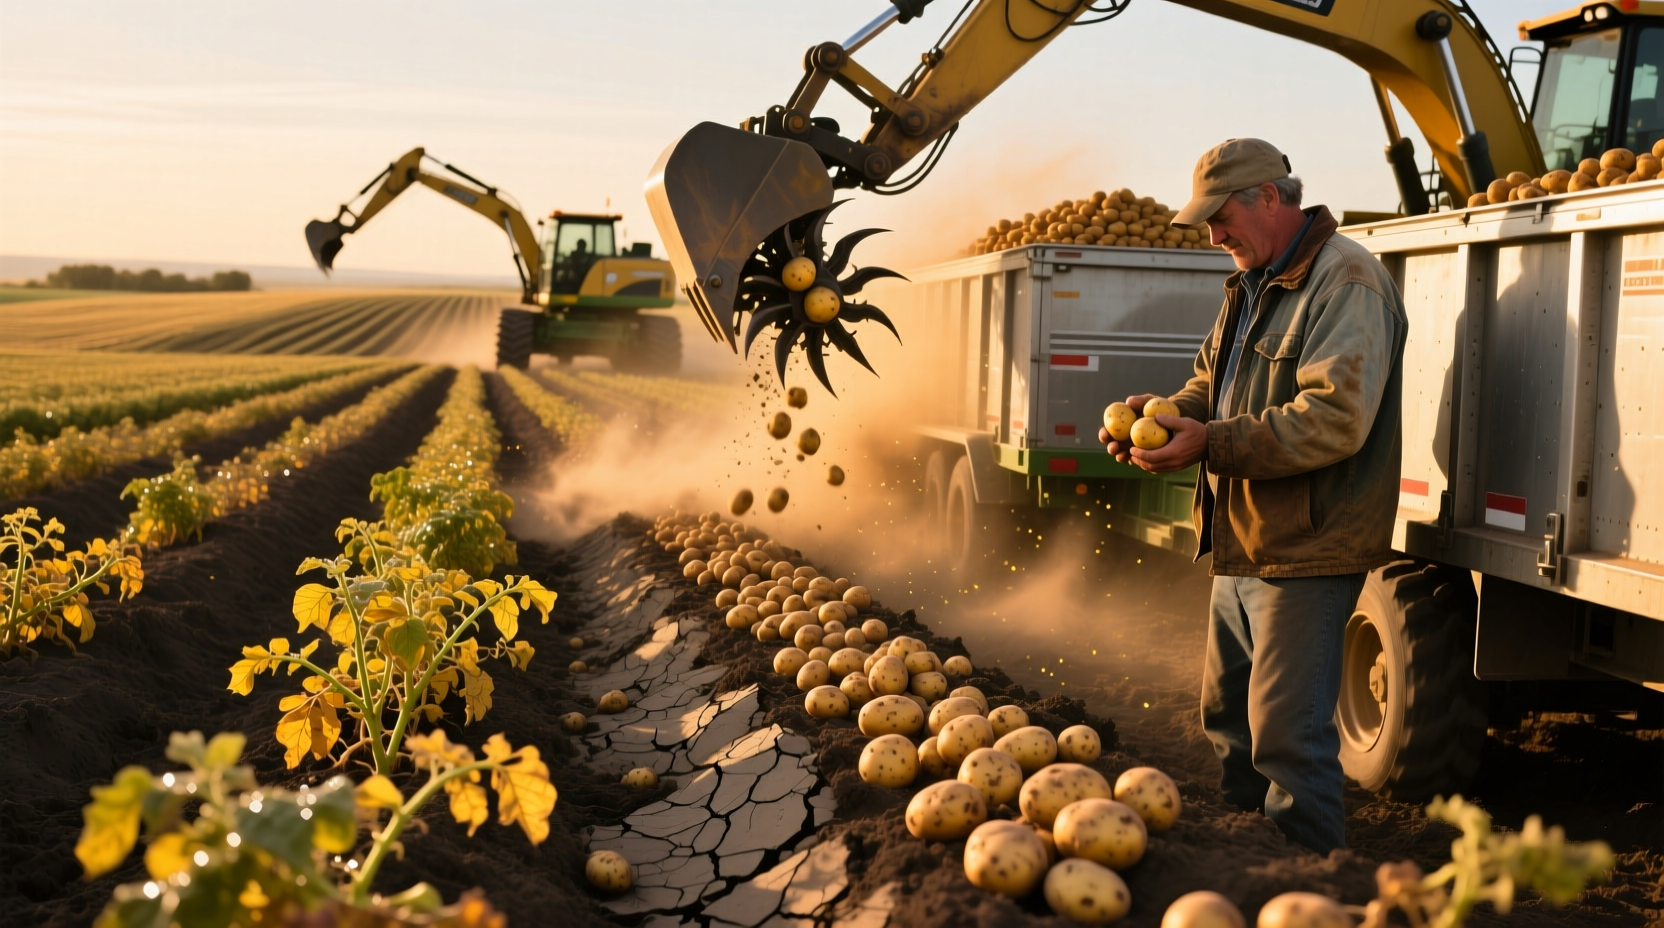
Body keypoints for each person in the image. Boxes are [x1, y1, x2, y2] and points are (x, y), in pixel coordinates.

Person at [1098, 138, 1407, 854]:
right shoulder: (1250, 282)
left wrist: (1209, 443)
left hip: (1307, 546)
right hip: (1244, 539)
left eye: (1219, 218)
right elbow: (1212, 383)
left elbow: (1336, 419)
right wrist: (1172, 415)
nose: (1211, 237)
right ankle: (1245, 864)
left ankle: (1306, 886)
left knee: (1287, 742)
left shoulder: (1345, 281)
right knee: (1227, 723)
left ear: (1270, 198)